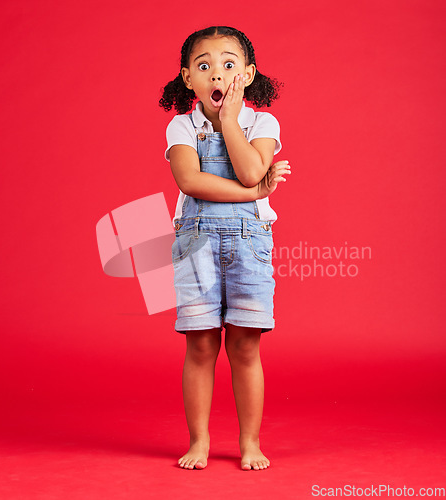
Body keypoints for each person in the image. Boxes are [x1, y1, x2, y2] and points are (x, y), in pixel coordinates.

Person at [160, 26, 291, 471]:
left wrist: (230, 121)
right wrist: (254, 194)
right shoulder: (182, 125)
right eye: (204, 66)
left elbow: (252, 169)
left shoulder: (261, 123)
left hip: (249, 245)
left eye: (229, 64)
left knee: (245, 346)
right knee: (199, 347)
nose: (218, 73)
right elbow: (190, 181)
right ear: (187, 78)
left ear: (248, 75)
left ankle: (249, 443)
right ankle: (199, 440)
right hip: (195, 243)